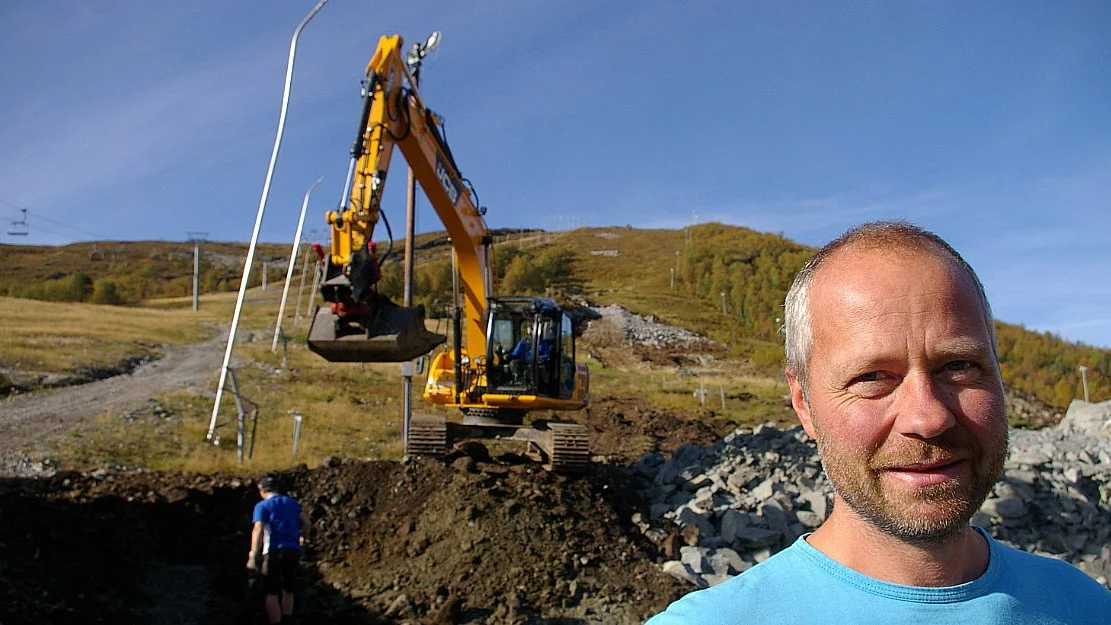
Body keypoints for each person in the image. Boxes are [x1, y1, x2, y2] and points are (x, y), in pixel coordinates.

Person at [647, 221, 1111, 624]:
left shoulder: (1088, 607)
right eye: (872, 377)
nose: (928, 417)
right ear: (803, 403)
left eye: (958, 367)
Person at [247, 475, 310, 624]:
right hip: (293, 550)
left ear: (262, 491)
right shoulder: (292, 503)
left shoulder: (262, 506)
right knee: (288, 587)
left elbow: (258, 529)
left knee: (271, 590)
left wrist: (253, 554)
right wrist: (303, 538)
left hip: (274, 550)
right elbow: (306, 522)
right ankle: (288, 619)